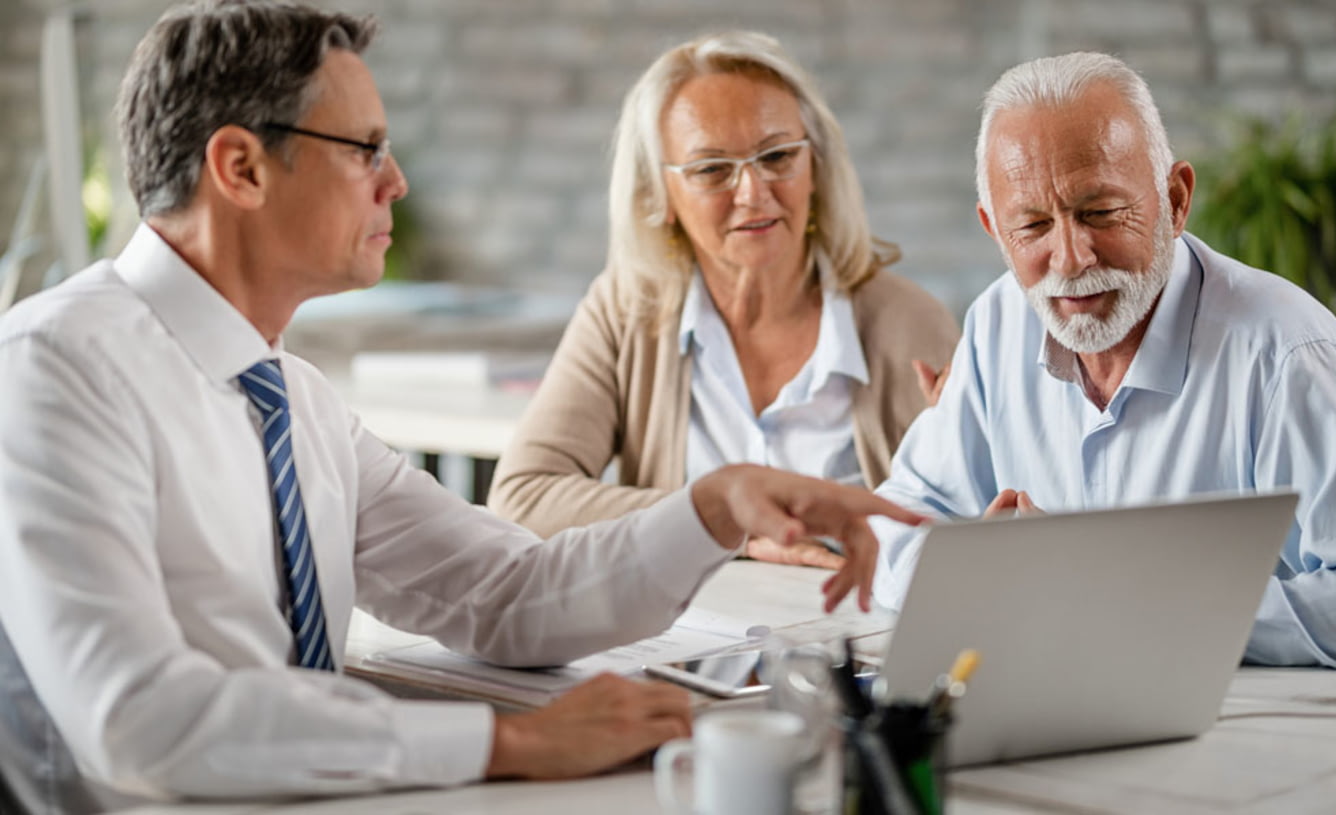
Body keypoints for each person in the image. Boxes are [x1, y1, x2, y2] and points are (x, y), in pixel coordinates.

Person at [0, 3, 924, 810]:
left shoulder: (294, 403)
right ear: (240, 167)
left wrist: (718, 507)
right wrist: (510, 744)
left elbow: (510, 592)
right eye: (365, 148)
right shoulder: (56, 366)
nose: (395, 181)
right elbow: (137, 719)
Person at [869, 51, 1336, 670]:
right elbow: (897, 522)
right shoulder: (998, 322)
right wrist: (973, 574)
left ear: (1176, 200)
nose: (1069, 258)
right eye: (1033, 226)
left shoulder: (1286, 351)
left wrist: (1127, 596)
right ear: (994, 230)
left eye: (1099, 212)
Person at [486, 31, 959, 568]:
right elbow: (524, 497)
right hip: (688, 640)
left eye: (778, 156)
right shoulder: (627, 309)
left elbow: (961, 521)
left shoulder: (908, 321)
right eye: (711, 169)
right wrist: (729, 522)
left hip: (852, 637)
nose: (753, 194)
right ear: (658, 195)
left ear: (817, 170)